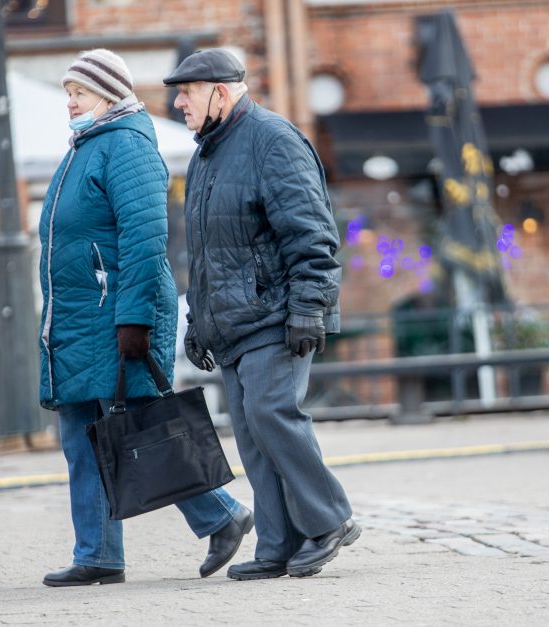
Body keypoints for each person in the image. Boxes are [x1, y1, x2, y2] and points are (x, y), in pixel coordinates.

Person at [38, 49, 252, 587]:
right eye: (68, 92)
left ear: (108, 93)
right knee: (85, 433)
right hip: (80, 319)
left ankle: (222, 514)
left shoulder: (126, 147)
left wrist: (133, 319)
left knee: (142, 428)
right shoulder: (86, 146)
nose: (70, 102)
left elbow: (145, 240)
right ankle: (98, 553)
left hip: (114, 316)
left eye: (79, 92)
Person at [163, 48, 360, 581]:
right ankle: (277, 544)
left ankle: (329, 520)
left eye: (187, 91)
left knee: (274, 415)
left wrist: (307, 310)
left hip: (277, 315)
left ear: (220, 93)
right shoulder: (208, 152)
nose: (177, 101)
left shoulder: (273, 140)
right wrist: (199, 324)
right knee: (251, 432)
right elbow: (208, 255)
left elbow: (313, 237)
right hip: (233, 323)